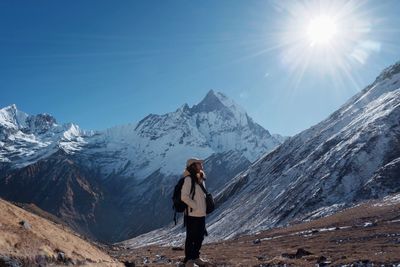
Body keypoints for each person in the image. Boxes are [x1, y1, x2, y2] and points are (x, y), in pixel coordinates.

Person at [181, 158, 211, 267]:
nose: (201, 165)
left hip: (201, 214)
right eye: (199, 163)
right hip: (192, 214)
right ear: (193, 166)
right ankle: (189, 260)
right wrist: (195, 206)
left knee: (200, 237)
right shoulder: (188, 179)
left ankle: (196, 257)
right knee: (191, 237)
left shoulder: (201, 178)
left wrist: (202, 208)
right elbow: (184, 197)